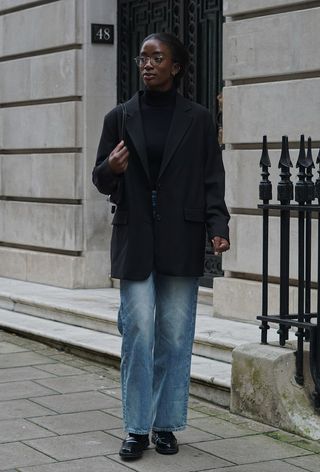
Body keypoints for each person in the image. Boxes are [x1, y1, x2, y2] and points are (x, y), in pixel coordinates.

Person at [92, 32, 230, 460]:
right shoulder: (120, 116)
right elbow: (100, 179)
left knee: (173, 335)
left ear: (177, 67)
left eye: (158, 58)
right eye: (143, 58)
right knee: (138, 331)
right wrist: (111, 167)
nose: (148, 64)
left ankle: (166, 424)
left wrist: (217, 224)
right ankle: (136, 428)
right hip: (135, 236)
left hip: (181, 235)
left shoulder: (199, 119)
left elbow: (212, 177)